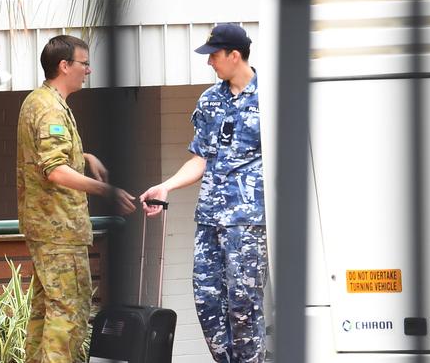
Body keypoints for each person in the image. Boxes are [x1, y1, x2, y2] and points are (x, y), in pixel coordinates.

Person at [140, 23, 268, 363]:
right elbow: (200, 159)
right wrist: (166, 185)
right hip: (210, 219)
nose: (210, 62)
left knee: (243, 305)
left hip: (248, 222)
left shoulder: (271, 97)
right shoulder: (211, 100)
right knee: (207, 302)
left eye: (214, 56)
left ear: (234, 55)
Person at [17, 35, 136, 363]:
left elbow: (45, 155)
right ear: (64, 65)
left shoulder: (42, 102)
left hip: (51, 229)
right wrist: (105, 191)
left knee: (45, 313)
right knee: (69, 312)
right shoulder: (49, 108)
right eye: (84, 63)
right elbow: (53, 170)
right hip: (58, 230)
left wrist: (85, 155)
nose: (89, 70)